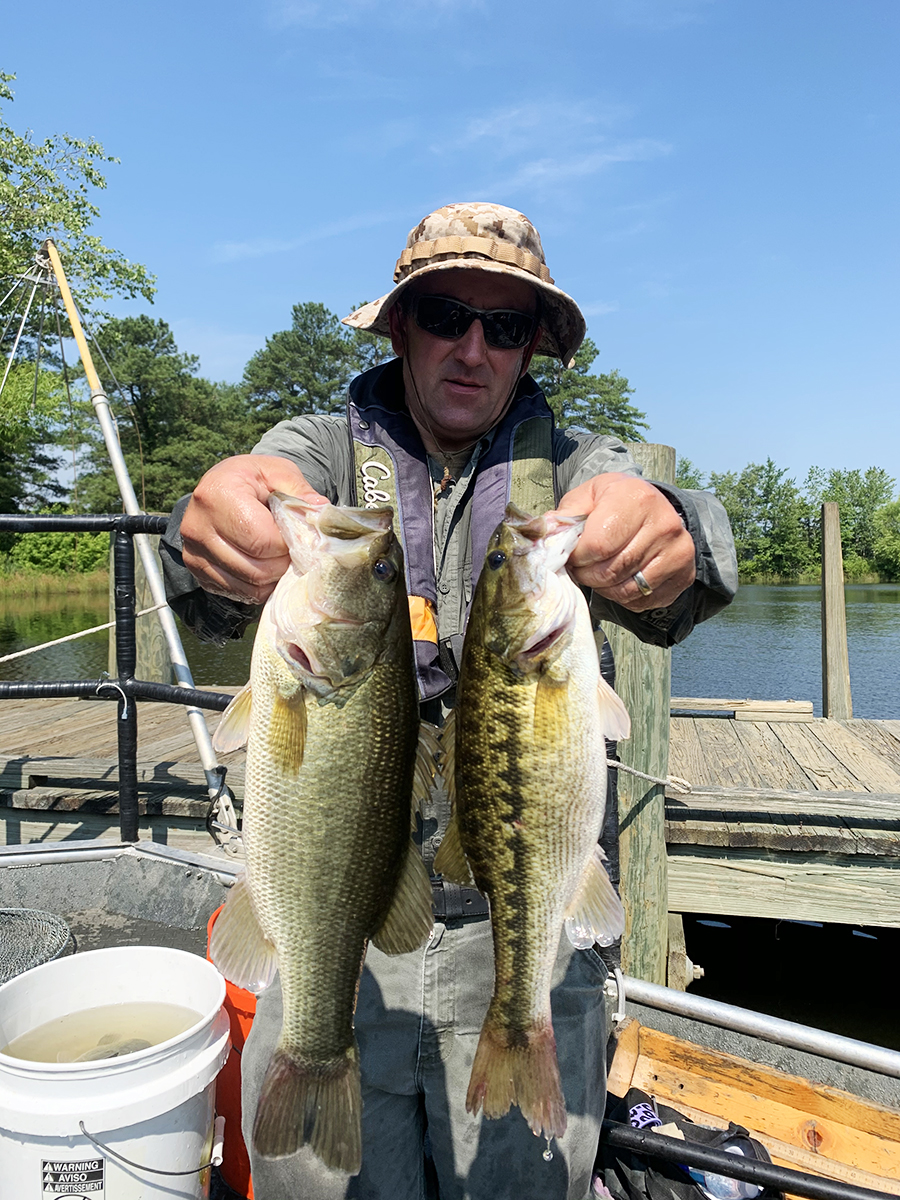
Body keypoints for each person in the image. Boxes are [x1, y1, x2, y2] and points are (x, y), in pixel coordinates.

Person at [160, 202, 737, 1200]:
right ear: (399, 327)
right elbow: (247, 506)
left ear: (532, 352)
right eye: (445, 316)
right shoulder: (328, 449)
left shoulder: (574, 465)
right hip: (340, 908)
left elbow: (673, 537)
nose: (473, 348)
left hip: (519, 936)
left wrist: (676, 530)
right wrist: (209, 512)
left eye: (506, 327)